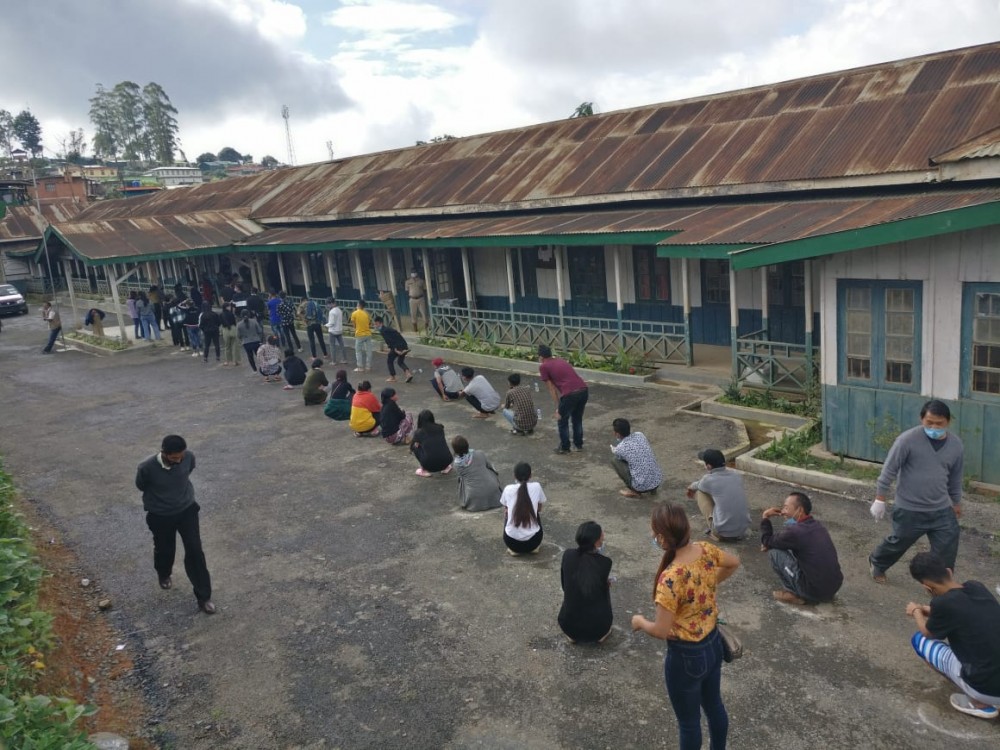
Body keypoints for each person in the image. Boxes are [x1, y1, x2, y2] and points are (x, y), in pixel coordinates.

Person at [631, 503, 740, 750]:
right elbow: (734, 562)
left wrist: (640, 622)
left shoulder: (671, 577)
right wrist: (710, 583)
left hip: (686, 656)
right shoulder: (706, 549)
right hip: (713, 644)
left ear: (661, 538)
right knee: (715, 707)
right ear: (687, 527)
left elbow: (660, 630)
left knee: (689, 723)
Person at [869, 400, 964, 583]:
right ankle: (877, 561)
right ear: (922, 419)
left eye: (939, 423)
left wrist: (956, 502)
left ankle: (941, 582)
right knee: (898, 542)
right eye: (929, 422)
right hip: (910, 508)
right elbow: (889, 469)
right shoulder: (907, 440)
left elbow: (955, 478)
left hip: (941, 508)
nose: (934, 427)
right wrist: (880, 498)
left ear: (948, 422)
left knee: (947, 546)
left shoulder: (956, 445)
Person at [906, 551, 1000, 720]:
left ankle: (979, 703)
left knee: (919, 641)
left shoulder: (942, 603)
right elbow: (964, 609)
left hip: (989, 688)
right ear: (949, 571)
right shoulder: (976, 587)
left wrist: (916, 611)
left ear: (927, 587)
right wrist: (930, 610)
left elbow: (928, 633)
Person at [134, 435, 214, 615]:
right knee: (165, 549)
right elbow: (141, 485)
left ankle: (204, 597)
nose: (179, 460)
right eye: (174, 458)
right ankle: (164, 573)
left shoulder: (189, 458)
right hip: (160, 515)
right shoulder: (146, 468)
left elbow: (188, 471)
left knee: (195, 550)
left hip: (187, 511)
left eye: (181, 456)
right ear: (164, 453)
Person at [760, 491, 843, 605]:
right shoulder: (817, 526)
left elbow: (767, 540)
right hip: (834, 586)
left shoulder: (795, 532)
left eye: (786, 508)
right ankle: (811, 590)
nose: (783, 512)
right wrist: (771, 542)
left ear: (800, 510)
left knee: (774, 552)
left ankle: (793, 593)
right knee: (783, 545)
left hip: (814, 591)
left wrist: (765, 517)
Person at [558, 521, 613, 643]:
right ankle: (598, 634)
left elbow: (564, 586)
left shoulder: (567, 555)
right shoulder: (605, 562)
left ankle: (575, 635)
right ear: (597, 541)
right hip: (599, 629)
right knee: (605, 588)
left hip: (569, 627)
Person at [686, 448, 751, 542]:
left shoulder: (708, 480)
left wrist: (689, 490)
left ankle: (714, 531)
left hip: (724, 534)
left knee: (700, 492)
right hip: (743, 530)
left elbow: (694, 486)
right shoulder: (736, 475)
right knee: (722, 494)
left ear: (708, 466)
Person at [538, 344, 588, 454]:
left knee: (562, 420)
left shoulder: (543, 366)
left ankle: (565, 447)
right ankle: (578, 445)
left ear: (541, 357)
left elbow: (551, 389)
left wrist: (558, 408)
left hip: (570, 394)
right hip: (583, 390)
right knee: (577, 419)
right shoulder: (560, 360)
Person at [499, 462, 545, 555]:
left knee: (508, 512)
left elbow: (506, 509)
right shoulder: (537, 486)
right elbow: (539, 509)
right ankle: (533, 549)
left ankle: (514, 551)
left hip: (512, 542)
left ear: (514, 476)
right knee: (535, 512)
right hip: (534, 542)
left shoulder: (508, 489)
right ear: (530, 475)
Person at [610, 418, 663, 498]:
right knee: (639, 459)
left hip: (641, 487)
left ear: (617, 434)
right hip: (657, 481)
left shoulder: (620, 448)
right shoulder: (640, 434)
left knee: (614, 460)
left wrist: (614, 450)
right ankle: (653, 489)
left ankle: (634, 491)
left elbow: (619, 457)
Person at [451, 435, 502, 511]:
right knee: (488, 469)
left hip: (475, 498)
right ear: (467, 444)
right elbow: (490, 467)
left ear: (455, 449)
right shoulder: (480, 454)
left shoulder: (457, 464)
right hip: (493, 491)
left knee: (462, 479)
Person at [410, 409, 452, 476]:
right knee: (439, 444)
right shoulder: (440, 428)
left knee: (415, 446)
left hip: (429, 466)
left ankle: (423, 470)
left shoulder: (419, 432)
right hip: (447, 460)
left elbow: (412, 447)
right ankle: (446, 467)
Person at [373, 316, 413, 383]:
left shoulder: (383, 331)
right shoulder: (388, 329)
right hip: (403, 345)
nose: (375, 326)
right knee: (400, 362)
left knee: (389, 360)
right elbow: (398, 336)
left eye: (376, 324)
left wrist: (395, 349)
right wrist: (404, 347)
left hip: (397, 347)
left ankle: (392, 377)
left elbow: (390, 341)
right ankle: (408, 374)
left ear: (380, 323)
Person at [351, 299, 374, 372]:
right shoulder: (366, 313)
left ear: (359, 305)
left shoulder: (354, 313)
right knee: (369, 351)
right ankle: (368, 366)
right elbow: (369, 323)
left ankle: (360, 367)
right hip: (368, 334)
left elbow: (354, 325)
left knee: (358, 351)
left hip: (359, 334)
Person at [326, 298, 348, 364]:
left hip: (332, 331)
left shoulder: (331, 312)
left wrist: (326, 325)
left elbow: (331, 323)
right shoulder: (339, 310)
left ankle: (333, 361)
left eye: (328, 304)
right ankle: (344, 359)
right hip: (339, 330)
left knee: (332, 346)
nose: (328, 306)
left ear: (332, 303)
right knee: (342, 345)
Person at [219, 302, 240, 366]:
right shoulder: (231, 314)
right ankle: (235, 361)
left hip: (225, 330)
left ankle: (227, 361)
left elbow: (220, 323)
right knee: (234, 346)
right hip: (233, 329)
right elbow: (234, 322)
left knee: (227, 346)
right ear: (227, 307)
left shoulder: (221, 314)